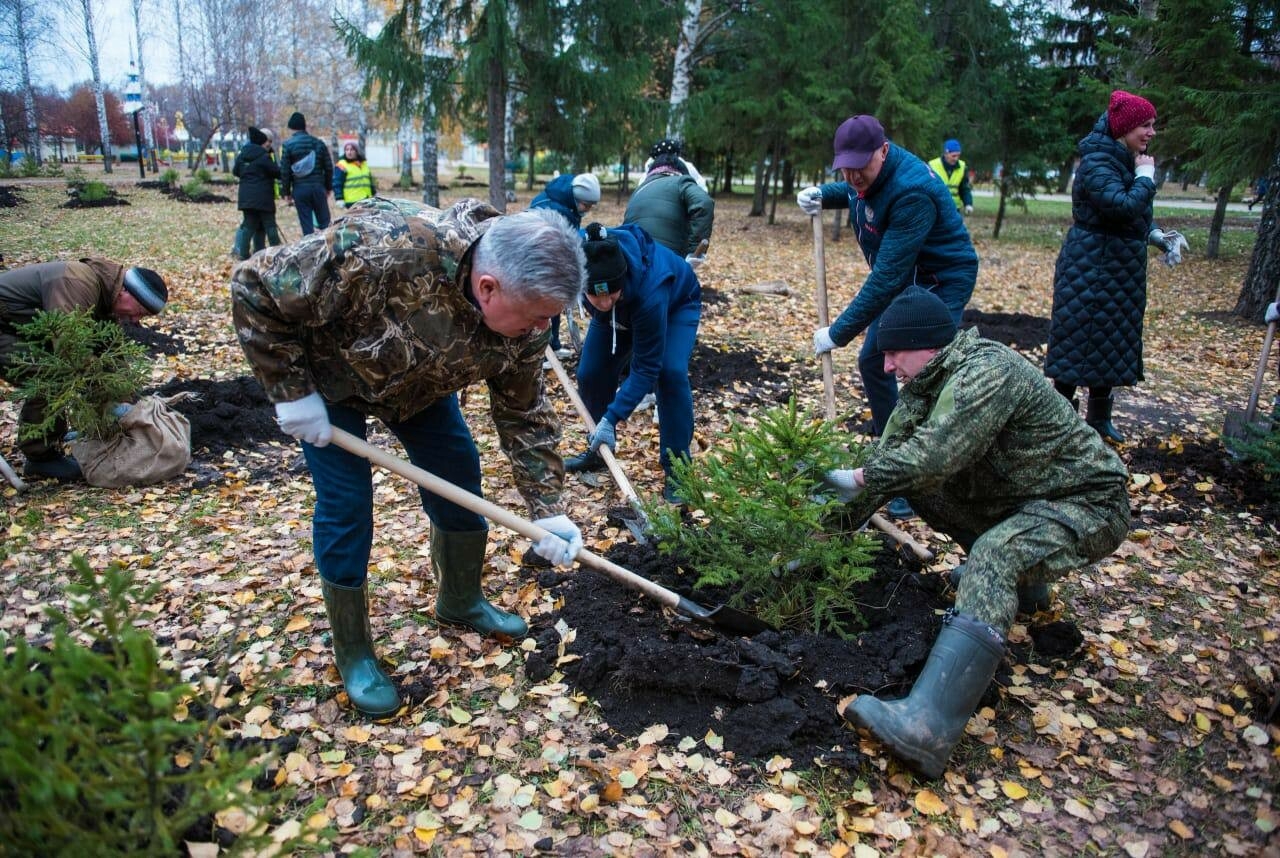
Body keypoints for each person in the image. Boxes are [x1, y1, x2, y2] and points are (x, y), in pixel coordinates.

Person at [231, 198, 587, 718]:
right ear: (489, 288)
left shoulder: (527, 322)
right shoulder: (382, 249)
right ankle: (354, 651)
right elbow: (254, 285)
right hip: (330, 383)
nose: (541, 332)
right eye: (536, 319)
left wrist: (547, 506)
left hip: (420, 385)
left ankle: (460, 599)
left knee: (461, 480)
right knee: (347, 504)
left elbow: (524, 411)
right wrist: (290, 391)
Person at [822, 286, 1129, 779]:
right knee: (922, 489)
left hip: (1087, 501)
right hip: (1026, 498)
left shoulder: (987, 371)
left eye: (893, 354)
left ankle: (927, 727)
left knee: (994, 554)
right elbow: (890, 466)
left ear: (926, 346)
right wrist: (815, 534)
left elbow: (933, 457)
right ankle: (1026, 594)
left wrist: (856, 478)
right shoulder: (923, 388)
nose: (886, 368)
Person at [796, 114, 978, 519]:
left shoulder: (912, 191)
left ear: (884, 150)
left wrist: (838, 332)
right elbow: (860, 194)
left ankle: (914, 479)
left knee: (922, 377)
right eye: (845, 167)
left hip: (938, 282)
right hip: (907, 279)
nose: (853, 175)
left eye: (860, 166)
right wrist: (824, 194)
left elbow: (886, 279)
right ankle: (888, 462)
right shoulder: (868, 176)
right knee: (873, 362)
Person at [1044, 90, 1188, 444]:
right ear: (1124, 127)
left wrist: (1156, 236)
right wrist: (1145, 179)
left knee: (1109, 342)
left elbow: (1132, 217)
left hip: (1119, 267)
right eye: (1146, 125)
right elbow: (1120, 206)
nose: (1152, 132)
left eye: (1154, 125)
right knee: (1078, 342)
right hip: (1091, 265)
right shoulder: (1097, 162)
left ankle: (1098, 419)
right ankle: (1060, 421)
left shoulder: (1125, 157)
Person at [562, 222, 701, 504]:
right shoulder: (579, 261)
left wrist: (613, 417)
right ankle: (600, 449)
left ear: (622, 280)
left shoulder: (651, 291)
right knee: (590, 373)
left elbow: (645, 368)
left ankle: (678, 472)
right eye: (594, 296)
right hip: (623, 312)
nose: (602, 303)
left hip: (676, 305)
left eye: (610, 294)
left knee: (670, 373)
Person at [0, 258, 168, 481]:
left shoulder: (105, 302)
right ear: (126, 292)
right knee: (53, 373)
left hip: (16, 329)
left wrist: (130, 406)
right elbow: (71, 350)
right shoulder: (76, 281)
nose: (135, 320)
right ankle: (41, 457)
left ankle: (47, 446)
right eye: (139, 312)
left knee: (58, 368)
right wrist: (109, 405)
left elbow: (111, 358)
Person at [529, 172, 601, 356]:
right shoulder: (554, 208)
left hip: (553, 257)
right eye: (586, 205)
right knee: (544, 304)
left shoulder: (569, 203)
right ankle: (541, 353)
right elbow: (564, 238)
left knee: (555, 303)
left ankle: (554, 345)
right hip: (537, 258)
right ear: (576, 198)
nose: (587, 210)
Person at [624, 138, 715, 259]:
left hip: (630, 257)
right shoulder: (681, 179)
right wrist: (693, 252)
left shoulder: (639, 188)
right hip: (666, 260)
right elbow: (703, 202)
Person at [278, 111, 333, 236]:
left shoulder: (288, 145)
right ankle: (329, 251)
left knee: (307, 226)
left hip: (300, 189)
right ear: (304, 126)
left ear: (291, 128)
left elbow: (285, 171)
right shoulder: (318, 143)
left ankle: (310, 252)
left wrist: (286, 192)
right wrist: (328, 187)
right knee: (325, 224)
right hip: (318, 188)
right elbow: (328, 167)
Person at [231, 126, 282, 260]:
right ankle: (278, 254)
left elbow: (235, 171)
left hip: (246, 198)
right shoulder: (264, 156)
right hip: (263, 198)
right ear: (262, 142)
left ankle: (243, 255)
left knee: (248, 226)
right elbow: (277, 172)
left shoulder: (242, 155)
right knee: (270, 226)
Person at [927, 139, 974, 215]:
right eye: (953, 156)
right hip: (936, 208)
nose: (956, 158)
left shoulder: (962, 167)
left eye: (958, 155)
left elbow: (964, 189)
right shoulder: (932, 165)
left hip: (954, 209)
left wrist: (968, 204)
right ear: (946, 153)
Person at [333, 142, 377, 208]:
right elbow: (337, 183)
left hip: (367, 199)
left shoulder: (364, 164)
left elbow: (369, 181)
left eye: (352, 150)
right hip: (352, 201)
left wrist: (374, 193)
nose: (349, 152)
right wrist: (339, 198)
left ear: (357, 151)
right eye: (347, 150)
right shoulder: (341, 165)